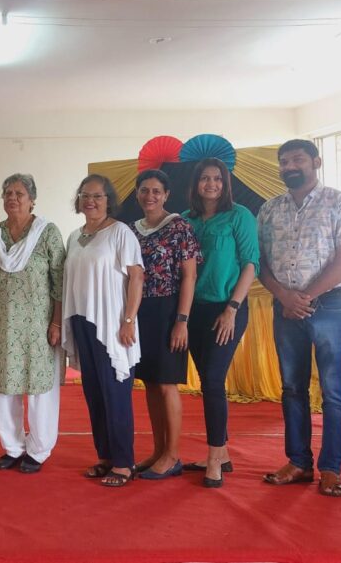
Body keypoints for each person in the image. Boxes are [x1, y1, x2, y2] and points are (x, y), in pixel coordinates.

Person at [258, 139, 341, 498]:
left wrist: (305, 297)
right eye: (284, 161)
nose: (290, 166)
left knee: (333, 390)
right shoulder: (269, 209)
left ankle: (331, 468)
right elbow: (260, 262)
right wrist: (284, 296)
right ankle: (299, 462)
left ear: (316, 162)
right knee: (292, 388)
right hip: (285, 307)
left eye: (297, 159)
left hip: (330, 305)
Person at [0, 173, 65, 474]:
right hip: (2, 325)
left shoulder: (47, 232)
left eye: (19, 193)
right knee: (4, 387)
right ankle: (13, 447)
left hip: (38, 326)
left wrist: (56, 323)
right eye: (8, 193)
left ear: (32, 200)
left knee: (39, 387)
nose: (12, 198)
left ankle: (38, 450)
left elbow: (60, 282)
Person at [181, 158, 259, 488]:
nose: (211, 184)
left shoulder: (239, 215)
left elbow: (251, 263)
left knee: (213, 380)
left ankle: (214, 457)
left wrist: (232, 309)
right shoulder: (185, 220)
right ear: (195, 183)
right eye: (205, 178)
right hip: (193, 310)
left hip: (227, 308)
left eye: (217, 178)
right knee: (207, 380)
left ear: (225, 183)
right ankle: (222, 452)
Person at [61, 175, 144, 487]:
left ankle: (124, 463)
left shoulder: (121, 233)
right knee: (94, 393)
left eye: (97, 196)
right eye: (85, 195)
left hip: (111, 324)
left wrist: (128, 320)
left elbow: (136, 278)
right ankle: (106, 457)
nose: (90, 201)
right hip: (82, 321)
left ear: (109, 199)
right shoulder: (74, 236)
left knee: (115, 392)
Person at [130, 170, 200, 480]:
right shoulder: (131, 230)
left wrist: (182, 321)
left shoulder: (179, 227)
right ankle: (158, 451)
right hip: (140, 310)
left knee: (167, 383)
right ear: (137, 193)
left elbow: (189, 276)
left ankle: (172, 455)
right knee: (149, 381)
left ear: (166, 194)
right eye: (144, 190)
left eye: (156, 191)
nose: (150, 196)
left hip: (169, 310)